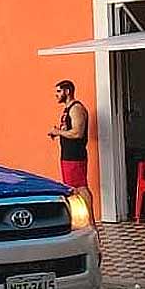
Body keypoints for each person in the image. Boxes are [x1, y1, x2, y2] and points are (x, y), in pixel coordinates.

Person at [49, 79, 93, 220]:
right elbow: (69, 130)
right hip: (67, 155)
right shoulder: (68, 109)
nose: (56, 95)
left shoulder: (76, 108)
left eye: (58, 91)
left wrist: (58, 132)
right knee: (71, 187)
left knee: (80, 187)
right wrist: (59, 131)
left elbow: (77, 133)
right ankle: (79, 218)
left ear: (67, 91)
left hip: (75, 155)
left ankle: (90, 220)